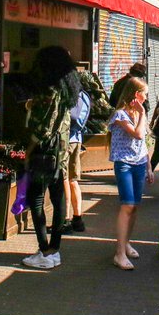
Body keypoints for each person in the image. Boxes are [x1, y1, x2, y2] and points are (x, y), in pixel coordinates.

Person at [21, 46, 83, 270]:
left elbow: (43, 128)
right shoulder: (67, 89)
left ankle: (44, 250)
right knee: (58, 200)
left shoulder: (48, 89)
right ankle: (54, 250)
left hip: (45, 153)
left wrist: (28, 150)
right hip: (62, 152)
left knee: (36, 198)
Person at [109, 76, 152, 270]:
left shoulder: (139, 114)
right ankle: (119, 253)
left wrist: (149, 166)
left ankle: (126, 243)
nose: (146, 97)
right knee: (127, 205)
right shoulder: (120, 115)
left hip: (140, 163)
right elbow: (138, 134)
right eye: (145, 94)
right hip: (124, 163)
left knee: (134, 206)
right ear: (136, 94)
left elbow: (144, 143)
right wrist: (142, 114)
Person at [61, 75, 92, 233]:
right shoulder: (84, 95)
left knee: (64, 179)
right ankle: (78, 218)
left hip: (66, 140)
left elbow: (70, 117)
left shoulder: (69, 94)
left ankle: (65, 220)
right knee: (72, 180)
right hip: (77, 138)